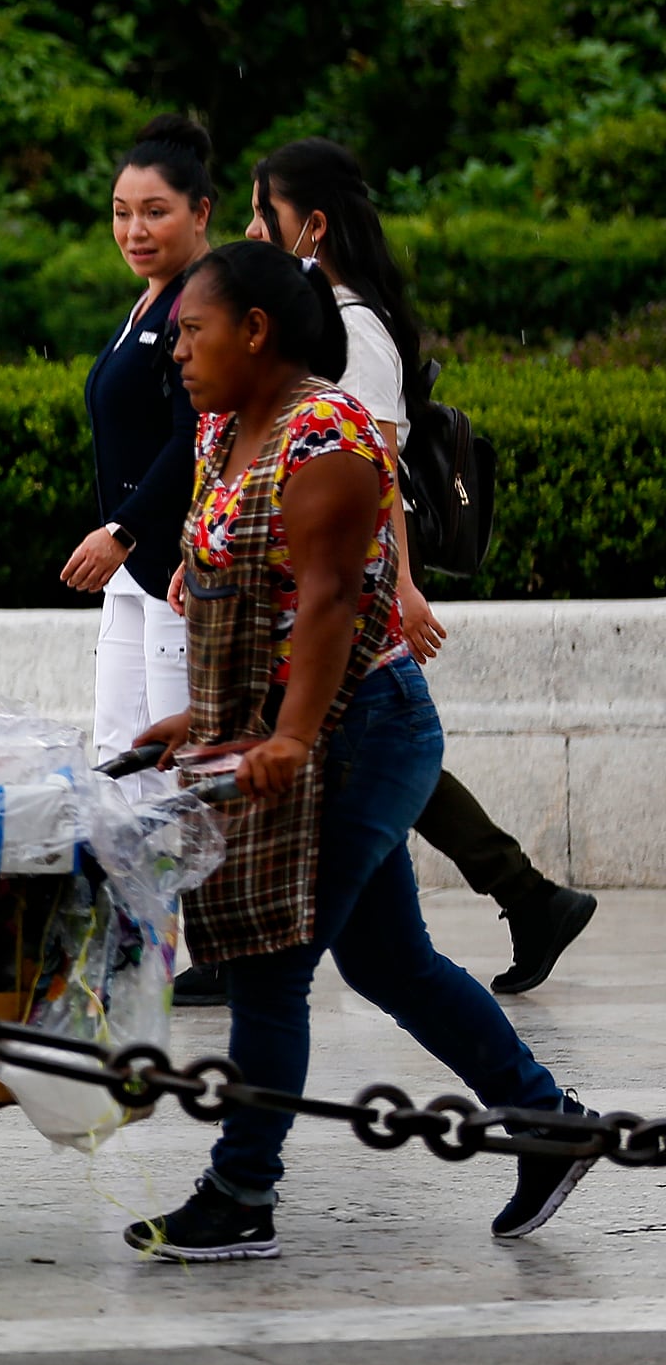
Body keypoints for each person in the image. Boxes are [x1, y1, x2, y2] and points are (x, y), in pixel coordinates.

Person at [123, 243, 593, 1261]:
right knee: (391, 961)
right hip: (289, 731)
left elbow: (333, 597)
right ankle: (548, 1121)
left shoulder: (323, 433)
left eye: (195, 332)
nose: (179, 352)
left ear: (256, 331)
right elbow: (243, 598)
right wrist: (202, 721)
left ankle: (243, 1189)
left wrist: (290, 733)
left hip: (364, 731)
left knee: (270, 960)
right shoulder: (224, 430)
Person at [170, 138, 595, 1003]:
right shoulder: (317, 314)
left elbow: (373, 468)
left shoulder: (348, 328)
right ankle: (528, 897)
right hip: (334, 602)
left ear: (313, 225)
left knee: (374, 747)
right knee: (382, 820)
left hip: (353, 595)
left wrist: (395, 588)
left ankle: (525, 895)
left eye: (265, 213)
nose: (252, 230)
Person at [60, 116, 210, 789]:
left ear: (200, 212)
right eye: (122, 214)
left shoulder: (201, 305)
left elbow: (193, 439)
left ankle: (195, 897)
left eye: (156, 213)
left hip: (175, 570)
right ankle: (133, 898)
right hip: (133, 572)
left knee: (176, 768)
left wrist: (124, 528)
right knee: (120, 761)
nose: (135, 232)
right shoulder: (149, 303)